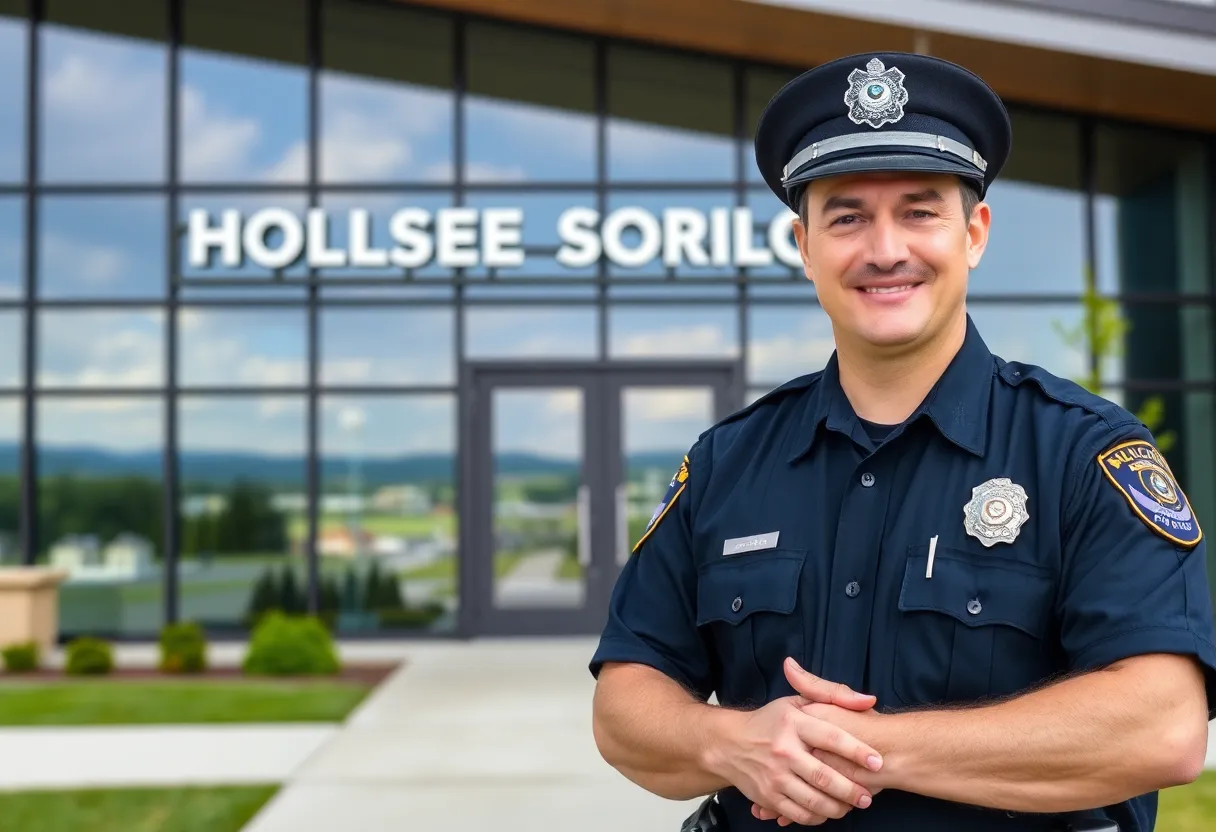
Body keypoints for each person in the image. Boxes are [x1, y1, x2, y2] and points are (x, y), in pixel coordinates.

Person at [588, 51, 1216, 831]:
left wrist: (850, 748)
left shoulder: (1083, 457)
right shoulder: (727, 464)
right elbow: (624, 703)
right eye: (847, 216)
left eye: (919, 212)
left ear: (974, 233)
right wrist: (732, 742)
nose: (885, 249)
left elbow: (1163, 727)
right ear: (804, 246)